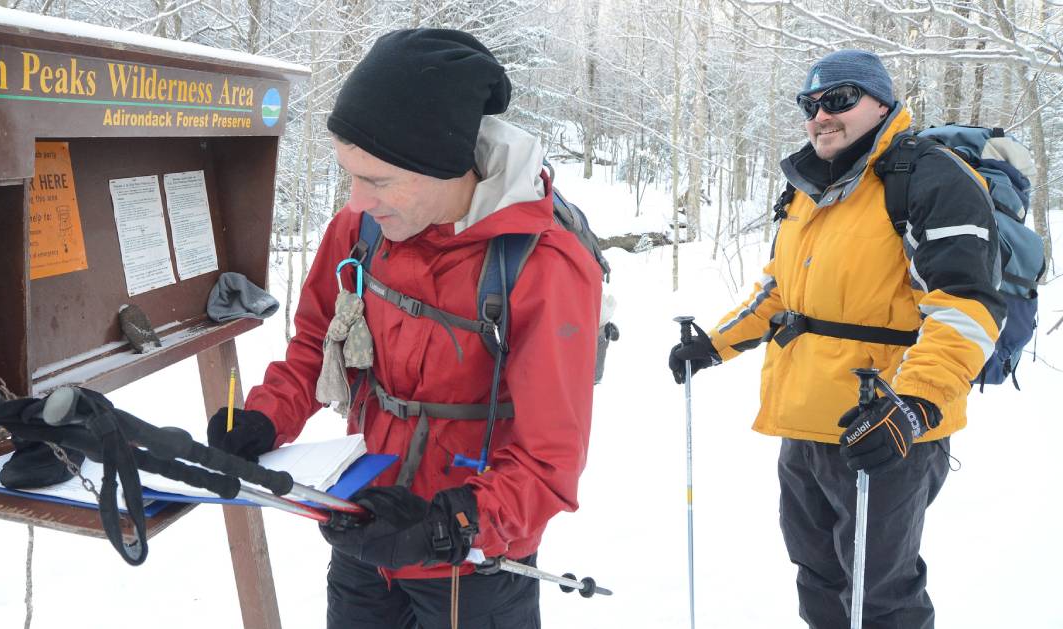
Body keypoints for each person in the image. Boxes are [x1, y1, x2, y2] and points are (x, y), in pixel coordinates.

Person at [206, 29, 602, 628]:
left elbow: (550, 461)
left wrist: (455, 523)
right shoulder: (361, 231)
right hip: (361, 532)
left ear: (444, 168)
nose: (357, 200)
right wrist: (266, 414)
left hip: (474, 566)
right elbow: (317, 343)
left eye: (379, 181)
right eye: (350, 175)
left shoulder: (541, 266)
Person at [669, 50, 1004, 628]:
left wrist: (915, 405)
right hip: (804, 421)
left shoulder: (930, 177)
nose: (822, 114)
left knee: (880, 595)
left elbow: (966, 304)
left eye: (840, 99)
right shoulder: (809, 186)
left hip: (885, 426)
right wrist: (716, 343)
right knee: (817, 576)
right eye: (811, 104)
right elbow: (780, 292)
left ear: (881, 103)